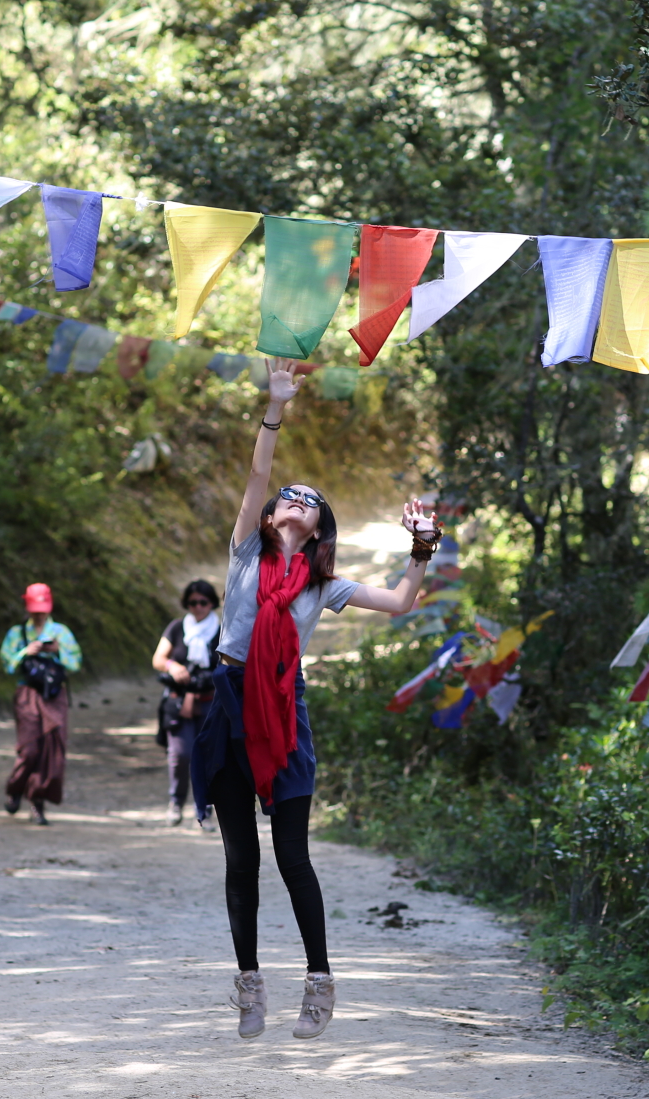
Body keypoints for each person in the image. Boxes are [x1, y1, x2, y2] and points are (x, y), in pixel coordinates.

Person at [194, 355, 440, 1042]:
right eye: (288, 495)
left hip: (281, 712)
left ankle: (319, 983)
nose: (295, 498)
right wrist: (275, 405)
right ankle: (248, 985)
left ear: (319, 526)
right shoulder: (246, 551)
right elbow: (254, 476)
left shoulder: (320, 585)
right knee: (240, 859)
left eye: (310, 497)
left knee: (292, 857)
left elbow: (396, 602)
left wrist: (420, 550)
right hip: (228, 703)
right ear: (271, 515)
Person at [0, 583, 82, 825]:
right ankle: (15, 789)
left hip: (55, 694)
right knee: (30, 749)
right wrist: (26, 652)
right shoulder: (17, 633)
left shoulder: (61, 632)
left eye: (42, 609)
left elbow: (75, 662)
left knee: (52, 749)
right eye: (35, 609)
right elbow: (7, 664)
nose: (39, 614)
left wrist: (57, 651)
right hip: (27, 693)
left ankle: (38, 803)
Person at [151, 580, 221, 831]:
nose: (198, 607)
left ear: (211, 603)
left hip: (208, 704)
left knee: (208, 758)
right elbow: (158, 659)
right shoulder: (176, 628)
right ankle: (176, 803)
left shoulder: (220, 631)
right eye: (193, 602)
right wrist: (174, 667)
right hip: (177, 702)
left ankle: (204, 810)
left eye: (203, 602)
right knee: (180, 755)